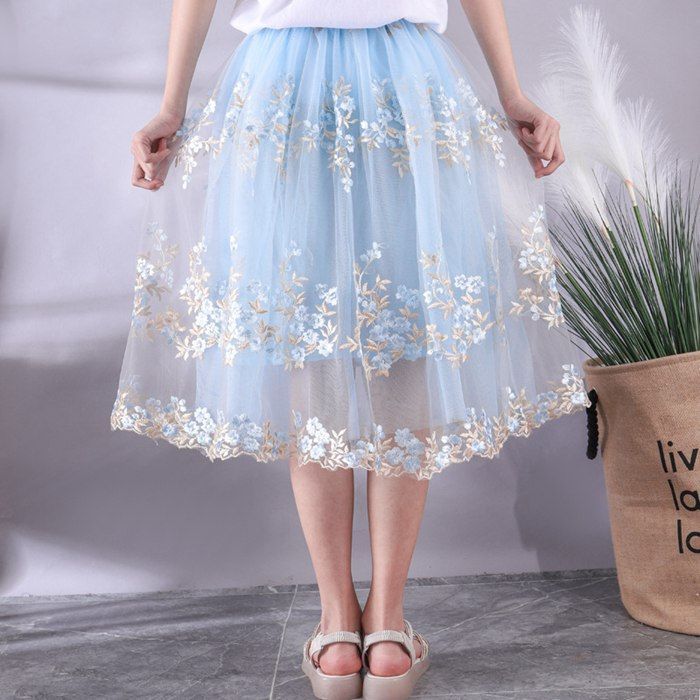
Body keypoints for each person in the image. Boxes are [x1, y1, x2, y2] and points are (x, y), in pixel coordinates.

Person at [112, 1, 588, 697]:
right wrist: (511, 92)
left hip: (284, 84)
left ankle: (338, 632)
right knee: (406, 343)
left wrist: (171, 105)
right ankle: (387, 631)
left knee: (314, 346)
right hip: (407, 79)